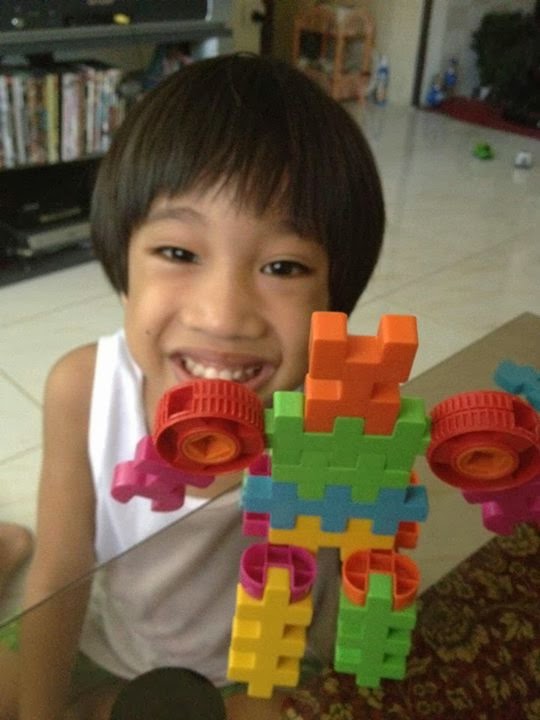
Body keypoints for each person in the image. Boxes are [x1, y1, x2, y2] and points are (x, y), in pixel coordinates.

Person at [0, 53, 384, 720]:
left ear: (335, 301)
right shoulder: (84, 390)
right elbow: (62, 576)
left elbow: (352, 587)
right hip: (110, 637)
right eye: (178, 253)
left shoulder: (334, 413)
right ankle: (10, 547)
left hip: (246, 669)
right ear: (122, 264)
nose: (222, 316)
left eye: (283, 266)